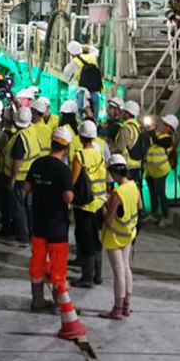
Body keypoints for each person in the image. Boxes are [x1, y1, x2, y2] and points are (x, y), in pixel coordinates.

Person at [25, 126, 75, 311]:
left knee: (37, 262)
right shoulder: (63, 169)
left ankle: (37, 301)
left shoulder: (37, 163)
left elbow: (27, 187)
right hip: (57, 225)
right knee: (57, 265)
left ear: (52, 143)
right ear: (66, 147)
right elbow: (68, 197)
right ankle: (59, 303)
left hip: (38, 222)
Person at [98, 154, 140, 319]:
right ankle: (126, 307)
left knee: (118, 271)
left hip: (115, 236)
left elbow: (108, 219)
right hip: (128, 234)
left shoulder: (117, 193)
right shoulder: (133, 186)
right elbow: (139, 206)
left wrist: (104, 206)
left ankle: (117, 310)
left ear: (113, 172)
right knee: (125, 267)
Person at [70, 120, 108, 289]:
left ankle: (86, 278)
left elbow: (73, 181)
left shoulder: (80, 156)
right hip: (99, 202)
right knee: (95, 238)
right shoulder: (99, 154)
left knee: (86, 240)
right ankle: (97, 275)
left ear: (80, 137)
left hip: (85, 204)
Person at [7, 107, 38, 245]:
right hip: (31, 177)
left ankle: (23, 235)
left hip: (20, 178)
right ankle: (32, 234)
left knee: (20, 208)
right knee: (29, 207)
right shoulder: (32, 131)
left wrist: (12, 179)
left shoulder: (20, 137)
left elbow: (17, 161)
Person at [141, 114, 178, 221]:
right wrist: (147, 128)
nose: (162, 125)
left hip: (161, 171)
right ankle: (154, 214)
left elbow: (156, 141)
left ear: (170, 128)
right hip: (150, 170)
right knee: (152, 193)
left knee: (160, 193)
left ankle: (165, 217)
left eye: (165, 124)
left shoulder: (168, 139)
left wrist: (152, 130)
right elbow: (147, 137)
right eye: (163, 123)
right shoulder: (157, 134)